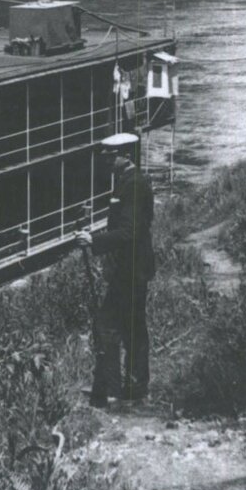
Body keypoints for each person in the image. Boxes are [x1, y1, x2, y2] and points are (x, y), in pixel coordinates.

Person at [78, 131, 154, 406]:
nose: (106, 161)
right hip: (129, 268)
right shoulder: (129, 181)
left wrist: (94, 241)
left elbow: (130, 230)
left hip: (131, 269)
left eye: (111, 156)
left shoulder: (133, 184)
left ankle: (115, 390)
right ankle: (132, 388)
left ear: (126, 155)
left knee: (111, 325)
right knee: (130, 326)